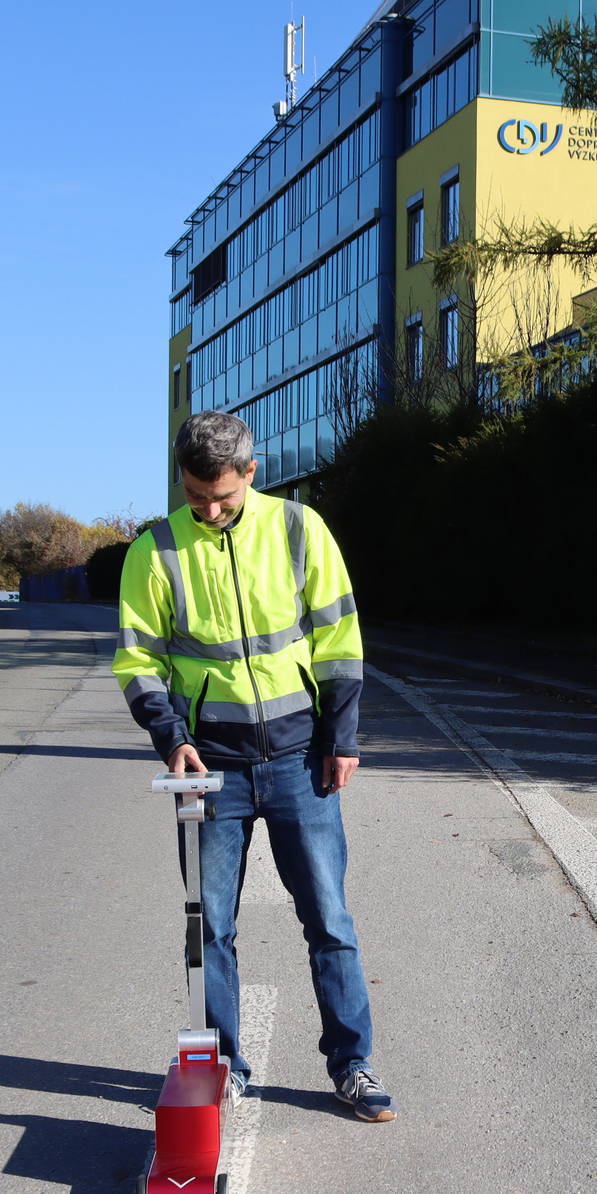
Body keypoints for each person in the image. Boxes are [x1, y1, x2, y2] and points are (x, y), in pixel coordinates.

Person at [114, 411, 392, 1123]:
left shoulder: (300, 531)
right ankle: (223, 1068)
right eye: (194, 496)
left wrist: (344, 736)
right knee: (207, 929)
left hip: (301, 759)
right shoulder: (156, 549)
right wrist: (169, 736)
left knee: (329, 917)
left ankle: (352, 1066)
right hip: (211, 766)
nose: (208, 511)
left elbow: (339, 638)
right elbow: (138, 659)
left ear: (251, 472)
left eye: (222, 498)